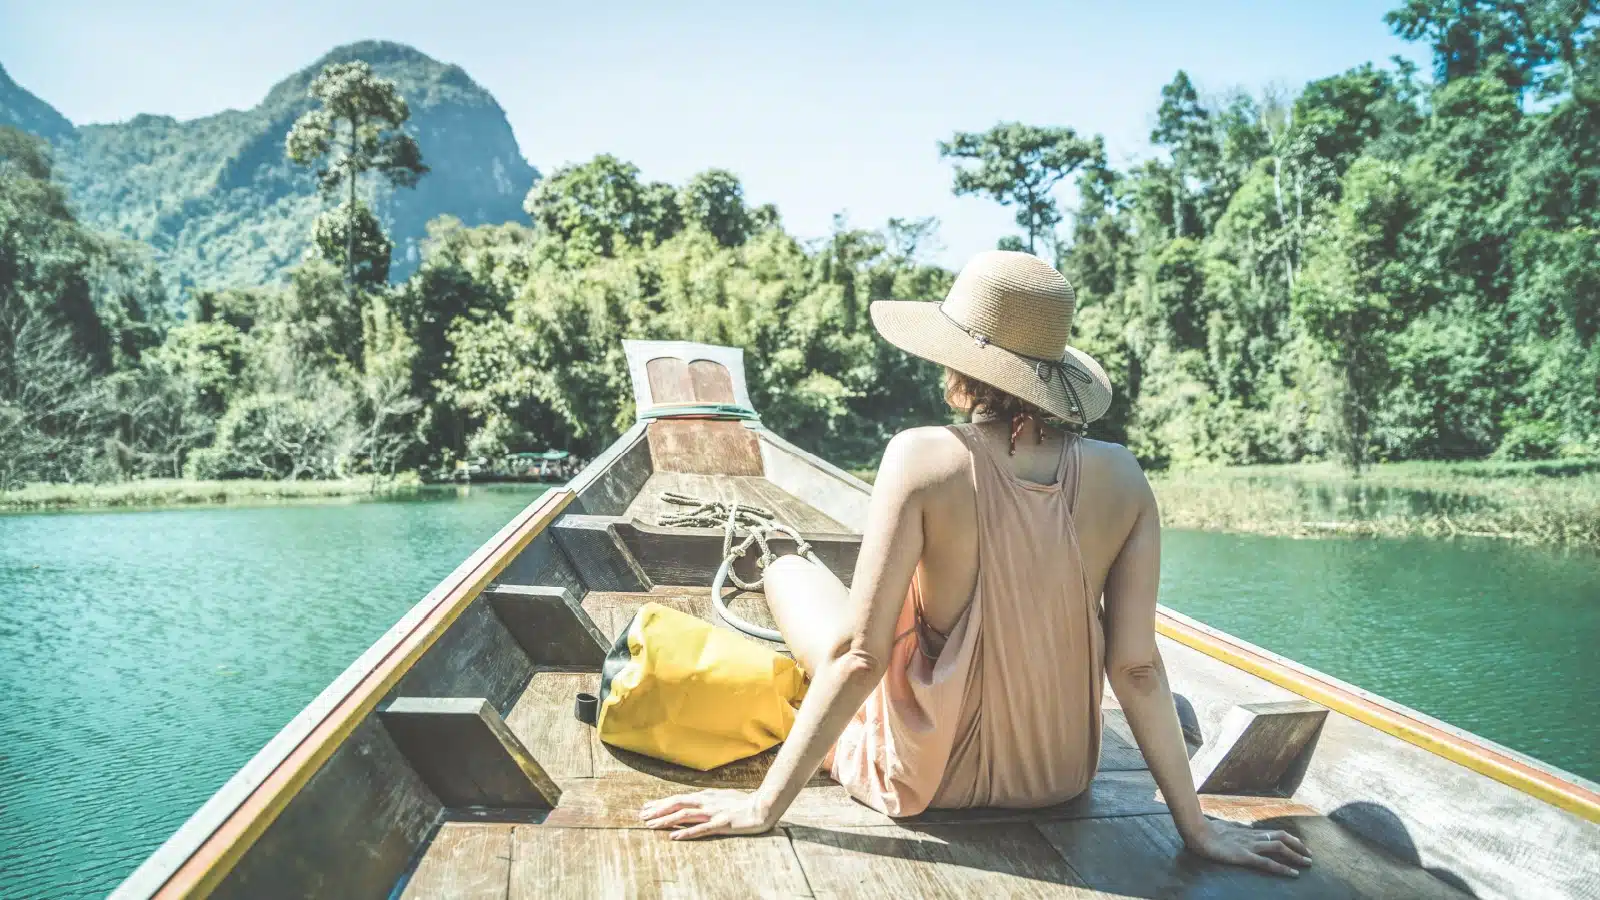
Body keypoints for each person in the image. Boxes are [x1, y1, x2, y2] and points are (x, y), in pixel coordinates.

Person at [640, 251, 1313, 878]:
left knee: (794, 577)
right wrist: (1194, 826)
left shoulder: (922, 457)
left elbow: (858, 658)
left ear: (961, 369)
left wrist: (763, 807)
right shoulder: (1125, 477)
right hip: (1058, 776)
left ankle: (776, 556)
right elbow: (1137, 667)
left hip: (925, 778)